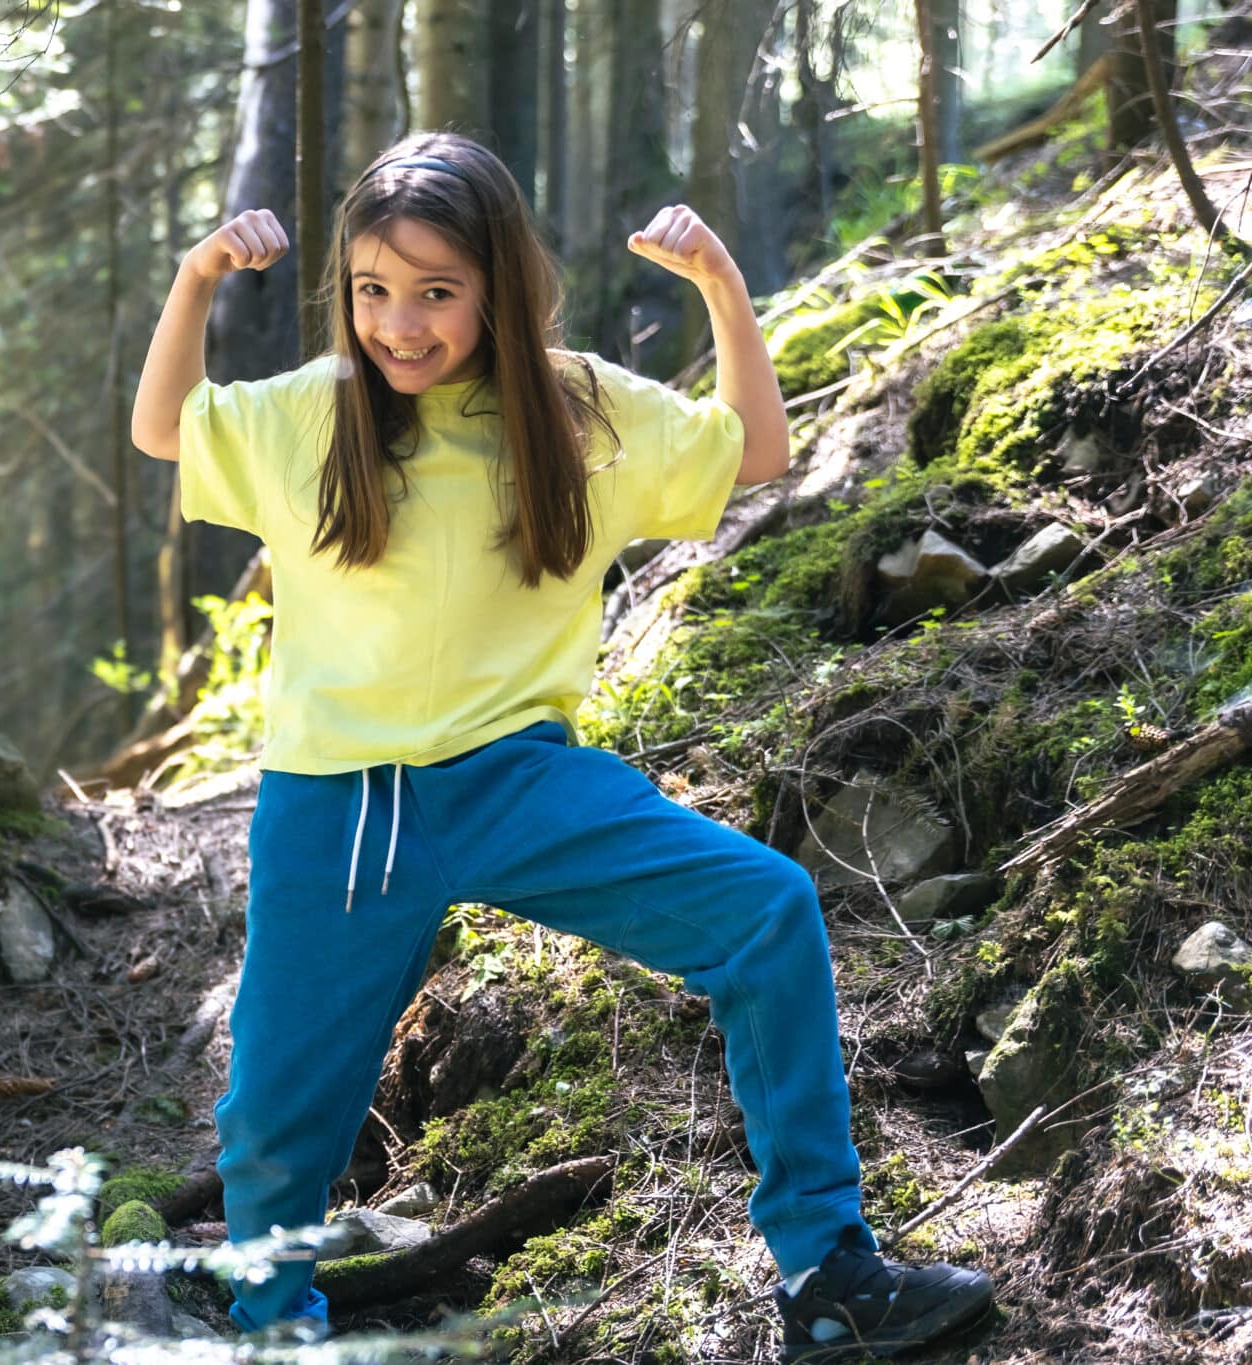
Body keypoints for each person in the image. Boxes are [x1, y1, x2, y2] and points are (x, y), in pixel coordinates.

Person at [130, 131, 995, 1363]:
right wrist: (197, 279)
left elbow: (754, 454)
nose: (400, 324)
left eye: (436, 292)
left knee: (764, 910)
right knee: (276, 1115)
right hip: (339, 806)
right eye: (373, 290)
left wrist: (720, 290)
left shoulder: (577, 408)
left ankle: (824, 1271)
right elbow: (165, 429)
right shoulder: (311, 415)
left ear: (497, 285)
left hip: (520, 782)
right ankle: (276, 1330)